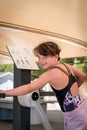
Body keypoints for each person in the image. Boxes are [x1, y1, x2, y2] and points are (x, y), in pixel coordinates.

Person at [0, 41, 87, 130]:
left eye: (45, 57)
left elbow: (29, 87)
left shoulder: (51, 74)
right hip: (83, 107)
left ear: (56, 57)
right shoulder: (66, 66)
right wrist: (72, 91)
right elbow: (82, 76)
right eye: (39, 57)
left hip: (73, 115)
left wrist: (4, 92)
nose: (41, 61)